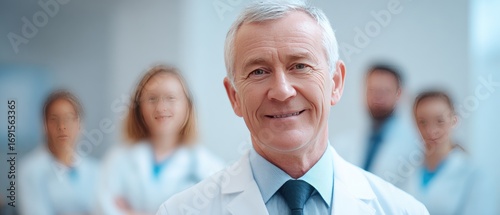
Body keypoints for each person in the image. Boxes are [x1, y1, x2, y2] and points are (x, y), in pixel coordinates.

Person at [156, 1, 428, 214]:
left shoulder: (403, 210)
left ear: (335, 83)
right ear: (234, 96)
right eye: (259, 71)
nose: (282, 91)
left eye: (300, 66)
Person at [97, 65, 224, 215]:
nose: (161, 107)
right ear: (139, 108)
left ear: (188, 106)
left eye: (171, 98)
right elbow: (102, 208)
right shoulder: (117, 159)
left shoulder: (208, 166)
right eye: (152, 98)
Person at [399, 90, 497, 214]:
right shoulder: (407, 170)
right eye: (423, 122)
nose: (431, 130)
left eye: (440, 121)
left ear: (454, 121)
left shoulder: (475, 175)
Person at [333, 64, 421, 186]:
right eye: (372, 90)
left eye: (385, 91)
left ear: (399, 94)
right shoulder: (344, 142)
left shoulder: (416, 145)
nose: (378, 97)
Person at [18, 90, 99, 215]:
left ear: (80, 124)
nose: (62, 126)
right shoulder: (30, 170)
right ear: (44, 125)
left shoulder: (96, 170)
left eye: (69, 118)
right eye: (54, 119)